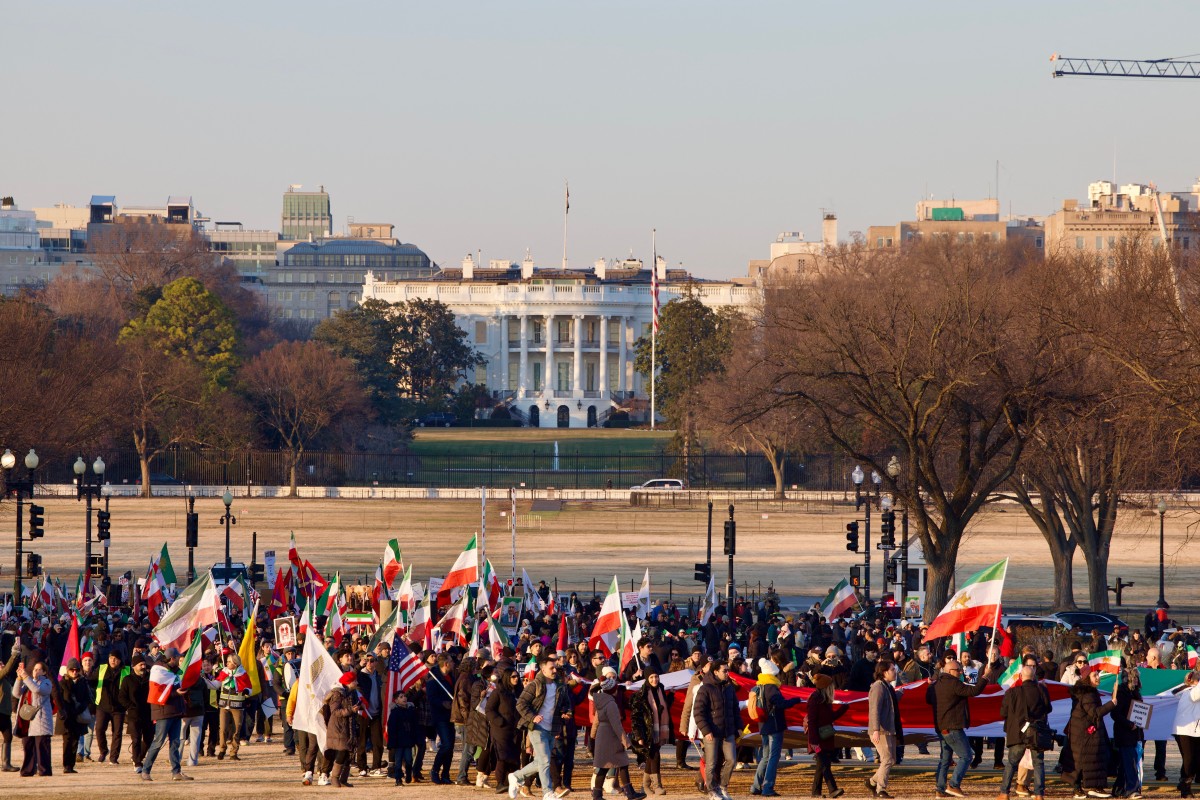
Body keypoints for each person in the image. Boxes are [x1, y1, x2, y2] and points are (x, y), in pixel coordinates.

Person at [510, 653, 573, 800]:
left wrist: (567, 712)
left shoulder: (560, 686)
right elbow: (520, 704)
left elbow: (566, 704)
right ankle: (547, 793)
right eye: (551, 668)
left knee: (541, 761)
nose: (555, 671)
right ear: (543, 670)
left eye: (555, 668)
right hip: (537, 728)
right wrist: (533, 716)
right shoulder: (535, 685)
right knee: (545, 760)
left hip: (552, 728)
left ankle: (515, 776)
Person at [932, 651, 989, 798]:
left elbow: (928, 698)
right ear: (950, 671)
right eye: (958, 670)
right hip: (953, 727)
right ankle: (954, 784)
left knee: (945, 759)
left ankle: (940, 789)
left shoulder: (936, 684)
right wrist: (985, 677)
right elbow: (974, 691)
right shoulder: (953, 683)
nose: (961, 672)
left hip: (941, 727)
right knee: (966, 756)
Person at [998, 656, 1052, 800]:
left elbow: (1003, 712)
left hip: (1017, 733)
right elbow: (1048, 709)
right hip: (1036, 732)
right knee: (1038, 763)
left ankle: (1004, 793)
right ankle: (1039, 794)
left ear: (1021, 677)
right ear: (1033, 676)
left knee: (1011, 763)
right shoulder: (1041, 690)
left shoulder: (1012, 692)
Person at [750, 657, 802, 798]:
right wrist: (796, 700)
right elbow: (780, 704)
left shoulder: (758, 686)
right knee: (773, 757)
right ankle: (768, 787)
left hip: (763, 725)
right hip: (774, 725)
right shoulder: (771, 687)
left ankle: (755, 786)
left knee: (765, 757)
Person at [590, 674, 647, 800]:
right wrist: (625, 741)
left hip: (603, 735)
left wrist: (592, 736)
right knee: (621, 763)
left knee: (606, 766)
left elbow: (597, 720)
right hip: (611, 737)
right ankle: (629, 793)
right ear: (613, 690)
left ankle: (597, 794)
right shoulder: (611, 704)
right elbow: (616, 725)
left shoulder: (601, 701)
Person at [141, 649, 193, 782]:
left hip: (176, 711)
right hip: (163, 712)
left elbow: (174, 687)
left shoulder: (175, 672)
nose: (179, 660)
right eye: (177, 658)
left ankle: (176, 772)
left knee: (175, 743)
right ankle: (145, 770)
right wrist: (177, 693)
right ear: (172, 659)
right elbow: (158, 693)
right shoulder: (159, 671)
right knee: (158, 742)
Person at [1067, 664, 1117, 799]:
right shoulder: (1088, 693)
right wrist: (1112, 703)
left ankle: (1095, 787)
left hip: (1087, 732)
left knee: (1093, 760)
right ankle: (1080, 788)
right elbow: (1095, 713)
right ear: (1087, 678)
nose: (1098, 677)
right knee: (1082, 762)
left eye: (1098, 674)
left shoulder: (1089, 692)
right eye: (1094, 675)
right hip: (1084, 733)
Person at [693, 658, 740, 800]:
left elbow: (735, 709)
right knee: (711, 763)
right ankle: (712, 790)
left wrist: (739, 727)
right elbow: (698, 712)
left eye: (728, 670)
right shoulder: (705, 688)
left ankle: (723, 787)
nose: (727, 673)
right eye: (724, 671)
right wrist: (706, 731)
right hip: (712, 732)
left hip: (728, 731)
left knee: (731, 760)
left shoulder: (729, 688)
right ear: (715, 672)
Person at [631, 669, 673, 796]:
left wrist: (671, 696)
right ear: (647, 679)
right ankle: (657, 785)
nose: (654, 680)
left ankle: (645, 786)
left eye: (656, 677)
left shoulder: (661, 690)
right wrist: (639, 736)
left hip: (659, 728)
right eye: (651, 677)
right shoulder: (641, 694)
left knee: (652, 755)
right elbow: (636, 717)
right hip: (648, 731)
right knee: (654, 755)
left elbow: (665, 707)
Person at [805, 672, 846, 798]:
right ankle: (832, 789)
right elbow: (811, 720)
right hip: (817, 738)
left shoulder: (824, 700)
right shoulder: (815, 699)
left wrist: (843, 709)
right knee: (823, 764)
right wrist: (813, 740)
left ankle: (816, 792)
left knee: (822, 765)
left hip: (825, 736)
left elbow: (829, 718)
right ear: (826, 687)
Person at [867, 660, 904, 799]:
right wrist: (876, 729)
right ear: (884, 672)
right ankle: (880, 789)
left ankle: (872, 782)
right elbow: (874, 709)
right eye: (892, 669)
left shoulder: (887, 687)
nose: (895, 672)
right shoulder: (878, 687)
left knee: (891, 760)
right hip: (882, 730)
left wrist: (899, 694)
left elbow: (889, 705)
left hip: (889, 729)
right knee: (887, 759)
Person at [14, 660, 54, 776]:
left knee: (42, 747)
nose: (35, 671)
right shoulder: (28, 681)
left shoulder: (46, 683)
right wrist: (19, 678)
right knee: (28, 746)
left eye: (38, 669)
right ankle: (28, 770)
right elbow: (16, 693)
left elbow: (37, 689)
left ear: (44, 672)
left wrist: (26, 677)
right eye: (34, 669)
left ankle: (44, 770)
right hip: (28, 721)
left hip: (41, 720)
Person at [1111, 665, 1145, 800]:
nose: (1136, 680)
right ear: (1127, 679)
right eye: (1134, 677)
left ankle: (1119, 789)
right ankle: (1132, 789)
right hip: (1124, 733)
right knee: (1129, 761)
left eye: (1137, 677)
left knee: (1128, 762)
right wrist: (1129, 724)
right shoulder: (1121, 693)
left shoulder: (1135, 692)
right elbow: (1115, 714)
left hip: (1135, 733)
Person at [487, 667, 522, 794]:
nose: (516, 679)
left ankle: (510, 783)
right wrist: (499, 721)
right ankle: (500, 783)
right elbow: (489, 709)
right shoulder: (498, 692)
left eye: (517, 676)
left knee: (514, 757)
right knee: (503, 757)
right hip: (501, 730)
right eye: (513, 677)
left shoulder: (519, 692)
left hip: (515, 730)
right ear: (507, 677)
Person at [323, 670, 360, 788]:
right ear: (349, 682)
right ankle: (335, 778)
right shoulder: (337, 694)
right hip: (339, 727)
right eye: (355, 680)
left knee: (350, 753)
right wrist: (350, 710)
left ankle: (344, 779)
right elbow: (335, 711)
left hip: (349, 726)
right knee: (342, 752)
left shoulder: (352, 693)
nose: (357, 682)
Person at [54, 657, 91, 774]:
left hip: (78, 716)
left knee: (75, 740)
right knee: (67, 741)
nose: (74, 672)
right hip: (66, 716)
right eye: (72, 670)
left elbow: (87, 699)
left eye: (76, 670)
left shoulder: (83, 682)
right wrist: (66, 710)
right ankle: (66, 765)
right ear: (68, 670)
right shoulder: (62, 683)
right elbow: (59, 699)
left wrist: (80, 708)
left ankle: (71, 765)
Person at [93, 650, 128, 765]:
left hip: (119, 708)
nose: (113, 660)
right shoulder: (101, 668)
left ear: (120, 660)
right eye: (111, 658)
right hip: (102, 706)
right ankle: (103, 751)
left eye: (116, 658)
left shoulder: (126, 671)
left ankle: (114, 757)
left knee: (117, 732)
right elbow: (91, 682)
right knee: (99, 729)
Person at [119, 654, 153, 773]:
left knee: (149, 739)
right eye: (140, 665)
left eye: (144, 664)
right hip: (134, 715)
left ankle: (138, 757)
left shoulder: (150, 678)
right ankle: (137, 763)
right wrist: (130, 706)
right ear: (134, 666)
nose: (143, 667)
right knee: (136, 739)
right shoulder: (128, 680)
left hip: (148, 714)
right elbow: (122, 697)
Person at [427, 654, 456, 784]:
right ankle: (434, 770)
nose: (453, 663)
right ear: (445, 664)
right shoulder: (433, 678)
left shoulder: (451, 676)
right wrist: (443, 703)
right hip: (439, 716)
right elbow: (431, 698)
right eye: (451, 661)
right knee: (446, 744)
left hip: (451, 715)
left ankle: (446, 773)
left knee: (450, 746)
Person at [217, 653, 251, 761]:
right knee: (223, 728)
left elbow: (250, 688)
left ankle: (234, 752)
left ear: (235, 663)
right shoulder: (224, 672)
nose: (226, 663)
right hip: (224, 705)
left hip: (237, 705)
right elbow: (216, 683)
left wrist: (247, 691)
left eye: (229, 661)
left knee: (237, 728)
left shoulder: (242, 674)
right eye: (226, 661)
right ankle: (222, 750)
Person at [1173, 669, 1200, 798]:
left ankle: (1184, 782)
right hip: (1186, 731)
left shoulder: (1189, 691)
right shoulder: (1190, 692)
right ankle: (1185, 788)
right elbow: (1196, 694)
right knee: (1190, 760)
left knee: (1193, 759)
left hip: (1194, 731)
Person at [387, 688, 419, 786]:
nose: (404, 698)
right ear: (396, 701)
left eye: (404, 696)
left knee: (409, 760)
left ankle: (408, 774)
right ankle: (398, 779)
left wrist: (414, 738)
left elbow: (414, 726)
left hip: (408, 740)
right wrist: (391, 742)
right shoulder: (395, 713)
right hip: (398, 742)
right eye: (401, 697)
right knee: (398, 761)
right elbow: (391, 729)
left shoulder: (410, 711)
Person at [0, 636, 20, 771]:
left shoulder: (5, 679)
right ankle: (5, 764)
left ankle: (6, 764)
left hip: (5, 712)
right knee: (7, 736)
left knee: (8, 736)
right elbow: (7, 669)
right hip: (0, 712)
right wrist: (14, 654)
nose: (1, 665)